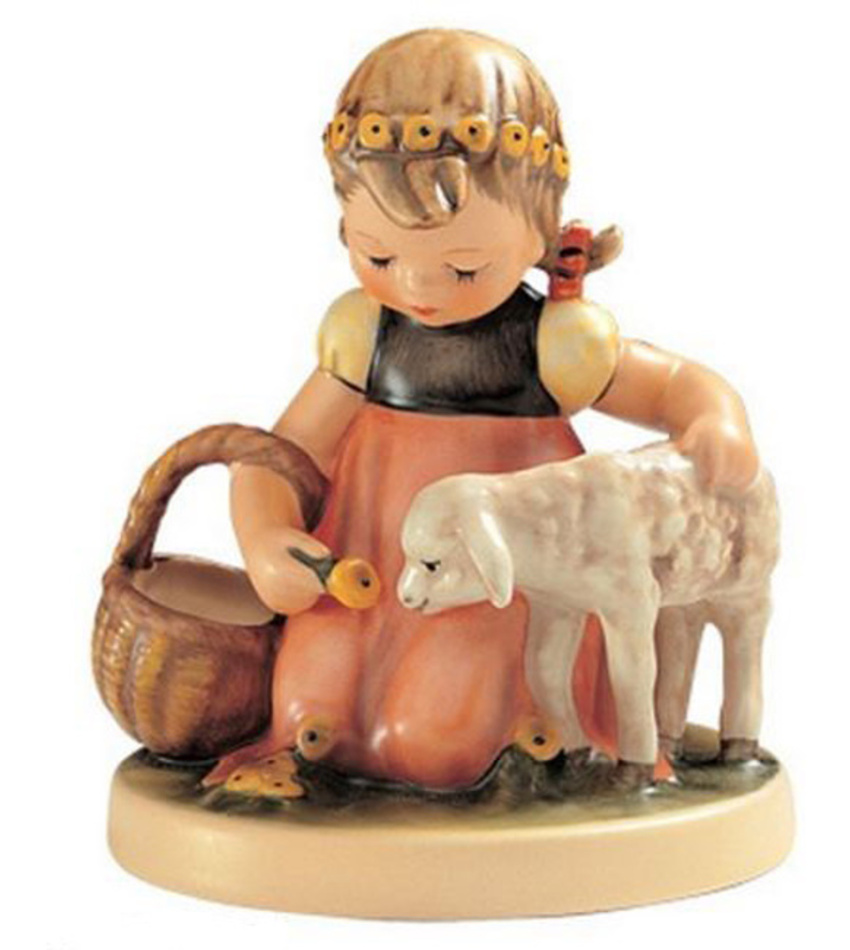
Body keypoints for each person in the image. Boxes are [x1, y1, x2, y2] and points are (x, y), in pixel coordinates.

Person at [205, 29, 758, 791]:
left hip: (497, 589)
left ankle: (520, 746)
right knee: (311, 703)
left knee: (442, 738)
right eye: (378, 256)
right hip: (368, 567)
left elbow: (671, 388)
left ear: (540, 234)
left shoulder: (555, 343)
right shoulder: (364, 336)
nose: (418, 286)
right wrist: (268, 538)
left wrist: (717, 419)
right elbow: (280, 453)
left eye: (464, 267)